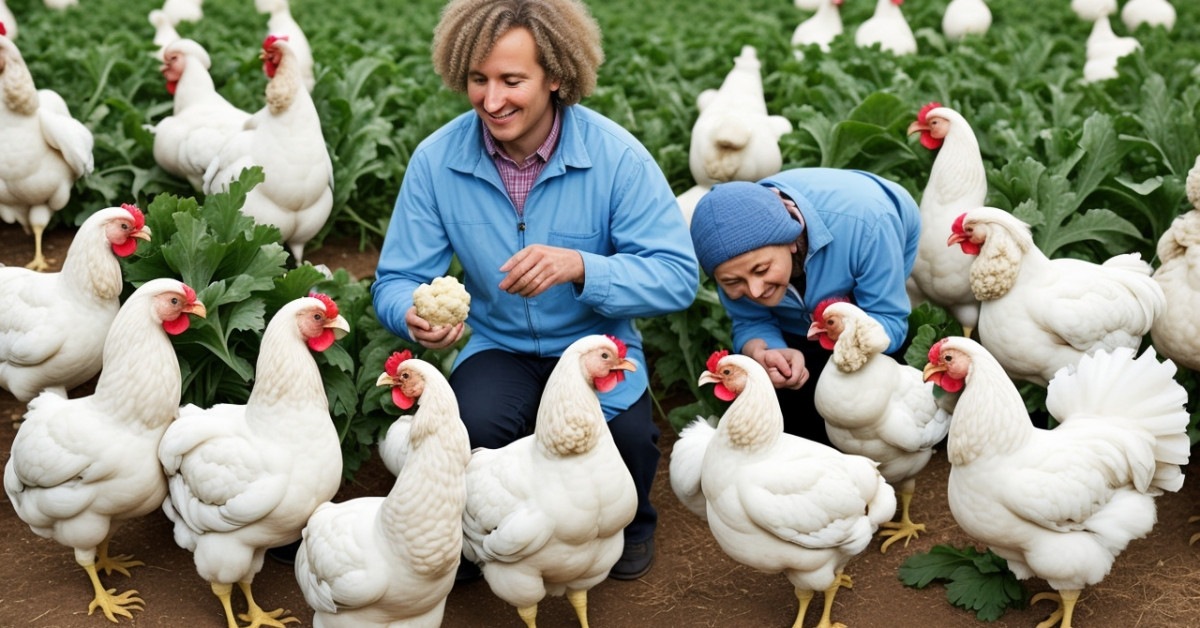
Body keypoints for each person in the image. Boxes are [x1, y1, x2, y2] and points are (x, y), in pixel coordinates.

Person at [371, 0, 698, 581]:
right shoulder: (437, 161)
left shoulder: (616, 158)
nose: (491, 100)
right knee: (469, 435)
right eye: (478, 79)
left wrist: (582, 267)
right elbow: (396, 279)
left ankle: (632, 524)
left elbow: (676, 276)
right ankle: (481, 533)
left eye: (511, 80)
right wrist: (411, 316)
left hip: (595, 343)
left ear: (556, 76)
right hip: (496, 343)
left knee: (626, 442)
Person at [689, 169, 920, 444]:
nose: (754, 290)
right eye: (733, 281)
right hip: (809, 327)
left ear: (791, 241)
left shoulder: (867, 223)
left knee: (879, 422)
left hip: (867, 308)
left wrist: (841, 345)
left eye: (761, 269)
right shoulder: (725, 253)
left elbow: (889, 322)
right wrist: (765, 352)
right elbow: (751, 321)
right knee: (794, 433)